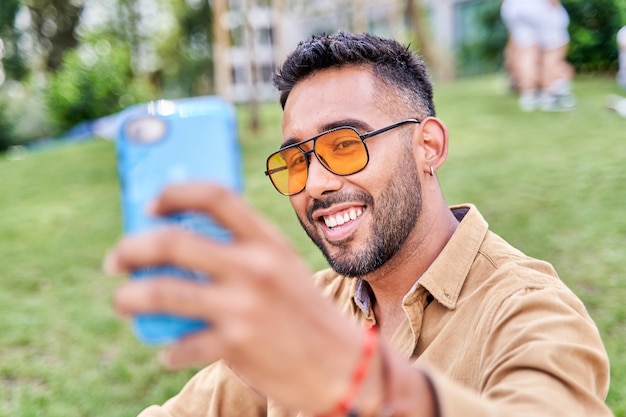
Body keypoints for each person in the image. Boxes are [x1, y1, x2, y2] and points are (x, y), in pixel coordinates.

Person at [104, 32, 613, 417]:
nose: (315, 183)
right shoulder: (311, 309)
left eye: (344, 145)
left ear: (428, 146)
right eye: (296, 160)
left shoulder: (531, 312)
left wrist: (359, 380)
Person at [501, 0, 576, 111]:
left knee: (526, 51)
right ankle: (549, 95)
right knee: (554, 48)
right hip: (539, 5)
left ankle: (529, 96)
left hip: (512, 5)